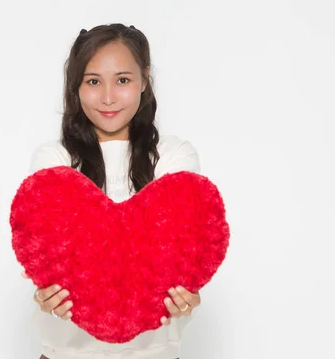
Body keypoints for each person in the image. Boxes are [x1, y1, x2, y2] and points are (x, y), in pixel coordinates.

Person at [22, 23, 203, 359]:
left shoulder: (174, 158)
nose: (108, 97)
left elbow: (178, 256)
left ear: (144, 80)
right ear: (76, 87)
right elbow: (51, 258)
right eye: (93, 81)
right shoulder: (54, 161)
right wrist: (45, 294)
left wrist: (186, 292)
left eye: (123, 80)